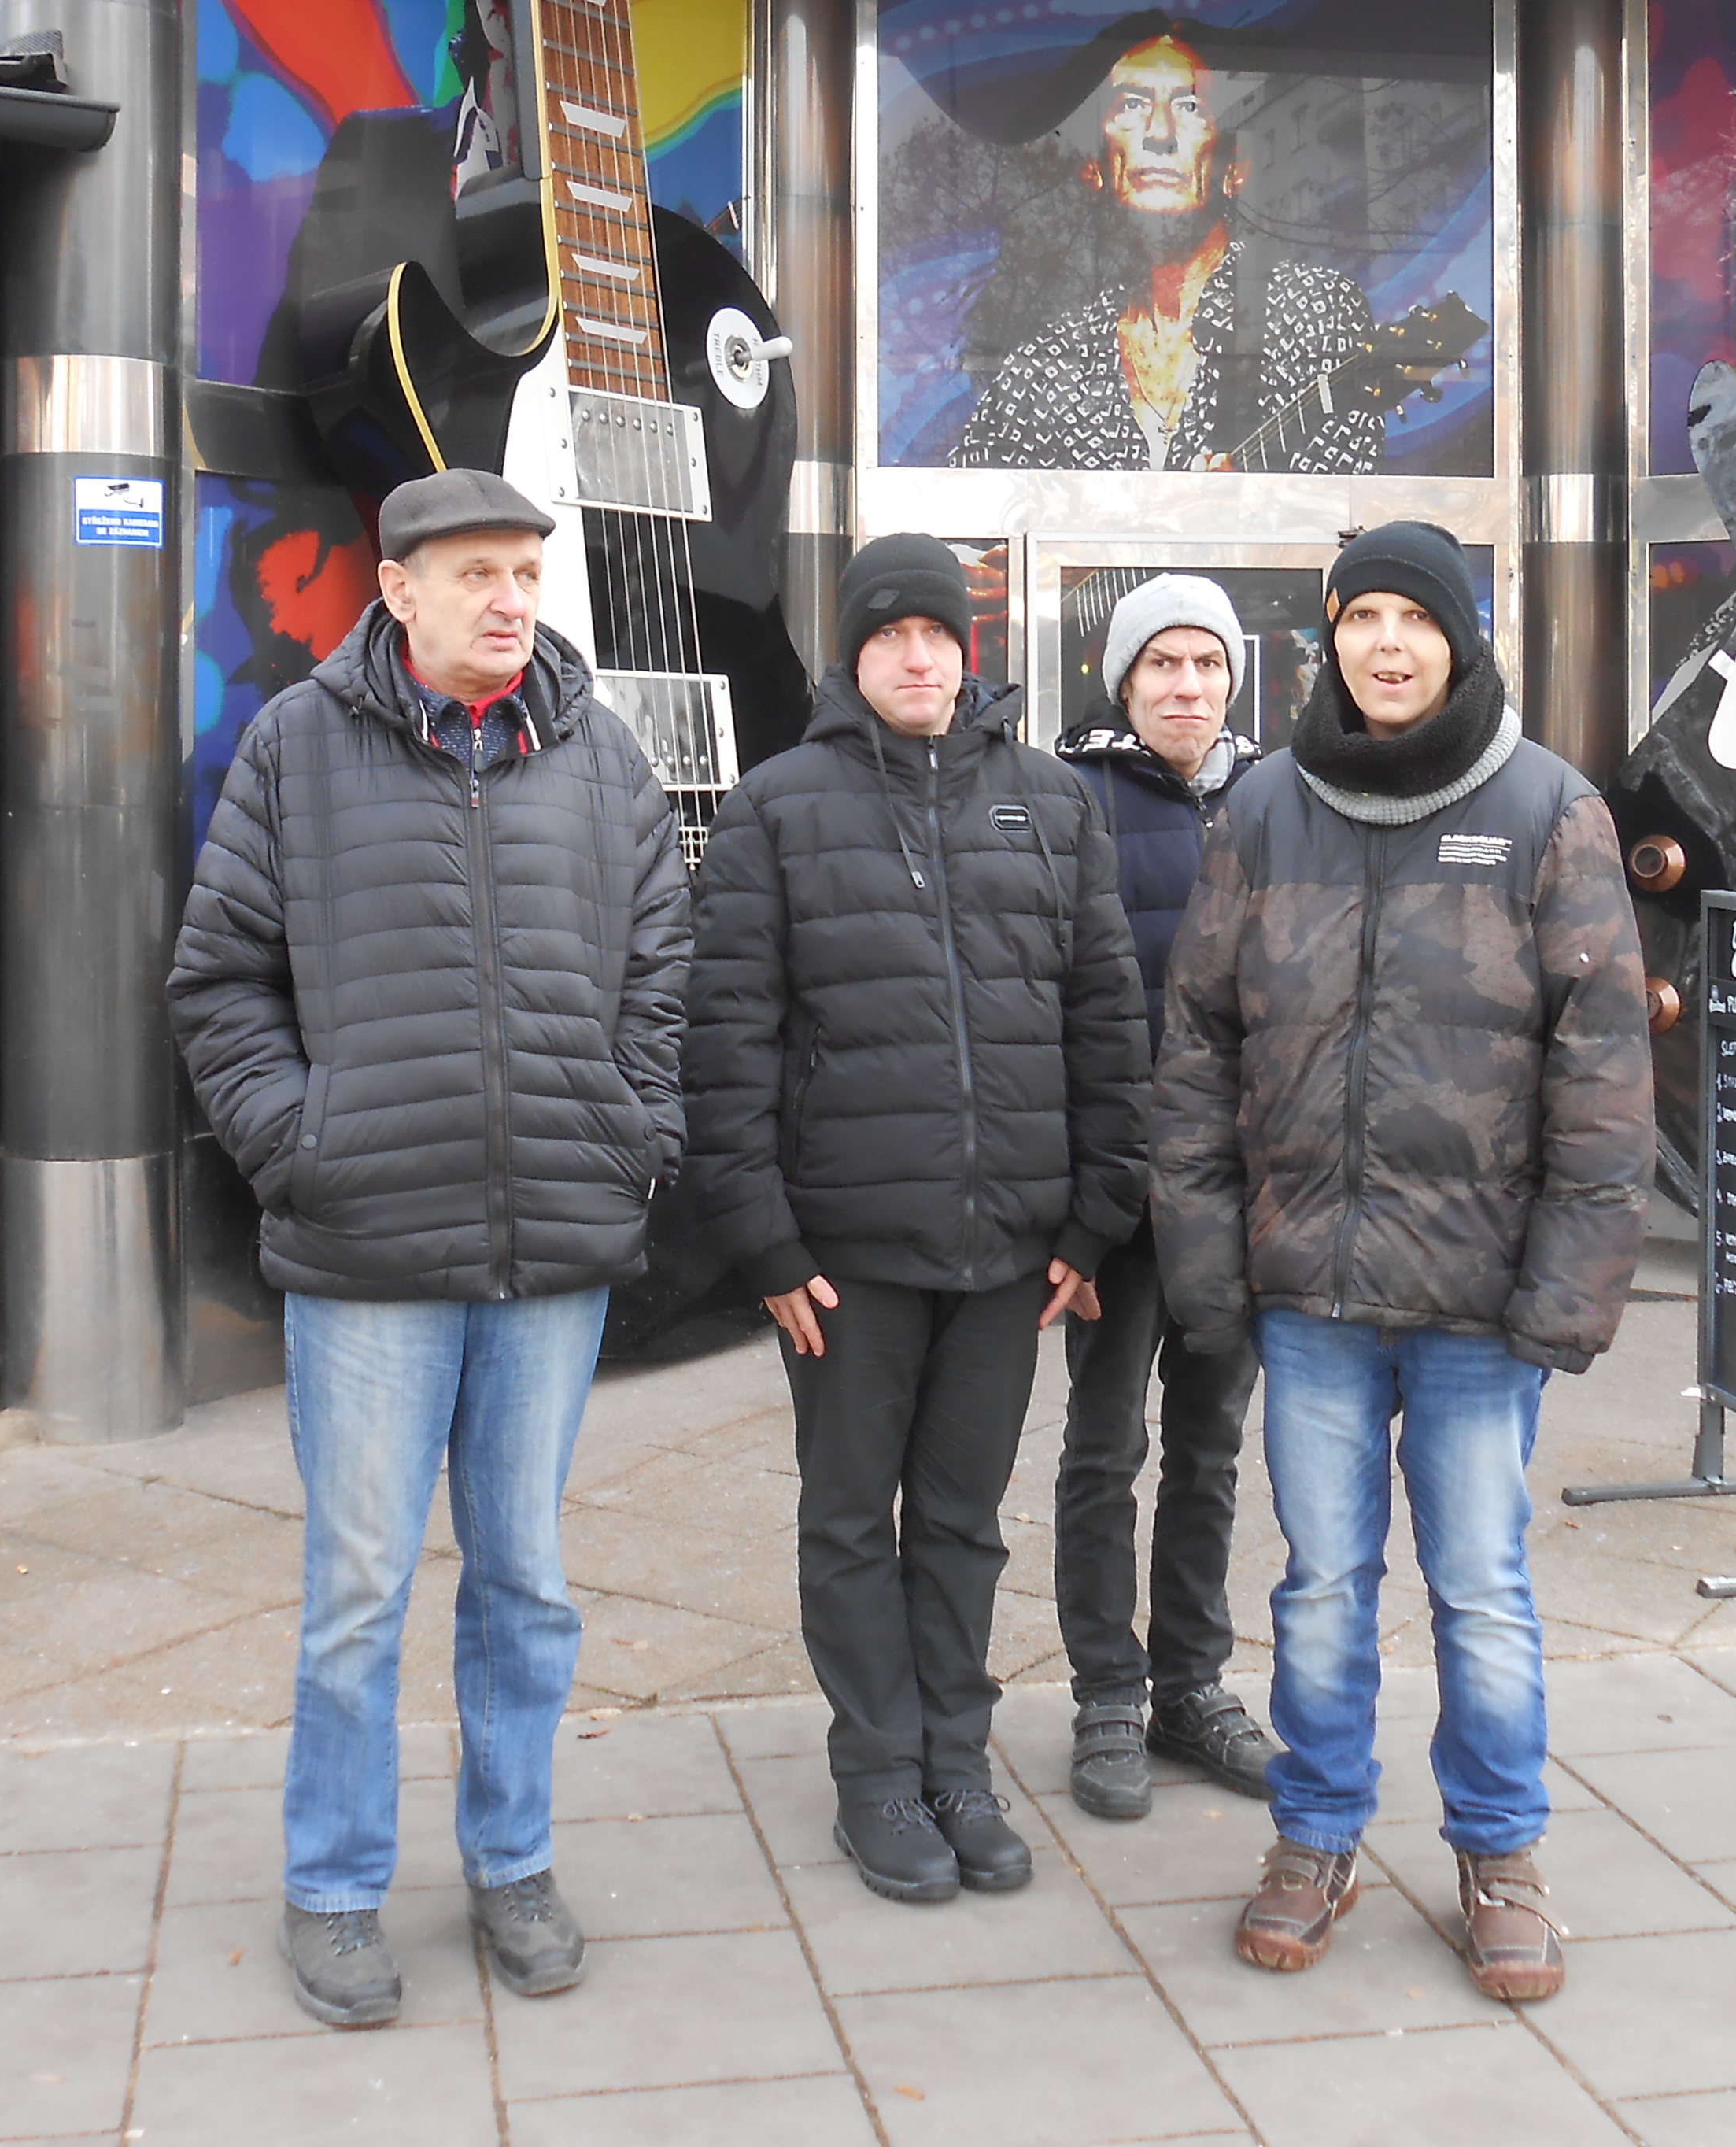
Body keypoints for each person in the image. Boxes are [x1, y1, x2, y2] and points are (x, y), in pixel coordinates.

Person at [169, 467, 691, 2031]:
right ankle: (333, 1886)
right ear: (396, 591)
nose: (510, 600)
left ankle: (512, 1863)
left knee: (524, 1581)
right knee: (358, 1589)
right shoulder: (296, 747)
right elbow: (219, 981)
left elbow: (664, 966)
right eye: (476, 574)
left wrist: (628, 1126)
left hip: (553, 1242)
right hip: (369, 1242)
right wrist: (301, 1143)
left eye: (525, 571)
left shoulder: (602, 755)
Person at [1153, 519, 1652, 2001]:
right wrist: (1205, 1261)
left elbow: (1603, 1069)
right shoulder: (1263, 809)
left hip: (1479, 1302)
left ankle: (1501, 1851)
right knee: (1319, 1585)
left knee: (1480, 1589)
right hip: (1308, 1288)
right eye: (1360, 616)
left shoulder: (1547, 809)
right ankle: (1315, 1834)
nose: (1385, 644)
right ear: (1330, 638)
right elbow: (1195, 1048)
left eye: (1413, 618)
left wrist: (1570, 1283)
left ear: (1457, 638)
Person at [685, 533, 1149, 1905]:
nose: (916, 656)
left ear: (967, 647)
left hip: (1009, 1250)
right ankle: (876, 1775)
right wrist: (763, 1239)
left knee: (961, 1520)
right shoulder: (778, 807)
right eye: (888, 634)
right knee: (848, 1520)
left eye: (936, 633)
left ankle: (957, 1760)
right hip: (842, 1257)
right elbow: (726, 1041)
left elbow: (1104, 1017)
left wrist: (1094, 1218)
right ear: (854, 654)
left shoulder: (1050, 803)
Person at [1048, 575, 1274, 1820]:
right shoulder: (1068, 799)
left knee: (1210, 1449)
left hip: (1236, 1195)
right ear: (1124, 680)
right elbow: (1046, 1012)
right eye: (1163, 665)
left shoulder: (1276, 799)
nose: (1187, 686)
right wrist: (1075, 1207)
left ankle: (1192, 1686)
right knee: (1103, 1449)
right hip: (1118, 1198)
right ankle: (1105, 1696)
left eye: (1207, 664)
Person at [955, 23, 1383, 474]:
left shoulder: (1312, 312)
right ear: (1096, 169)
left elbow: (1344, 501)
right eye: (1132, 104)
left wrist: (1247, 507)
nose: (1160, 131)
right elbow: (965, 503)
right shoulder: (1045, 366)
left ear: (1235, 169)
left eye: (1189, 106)